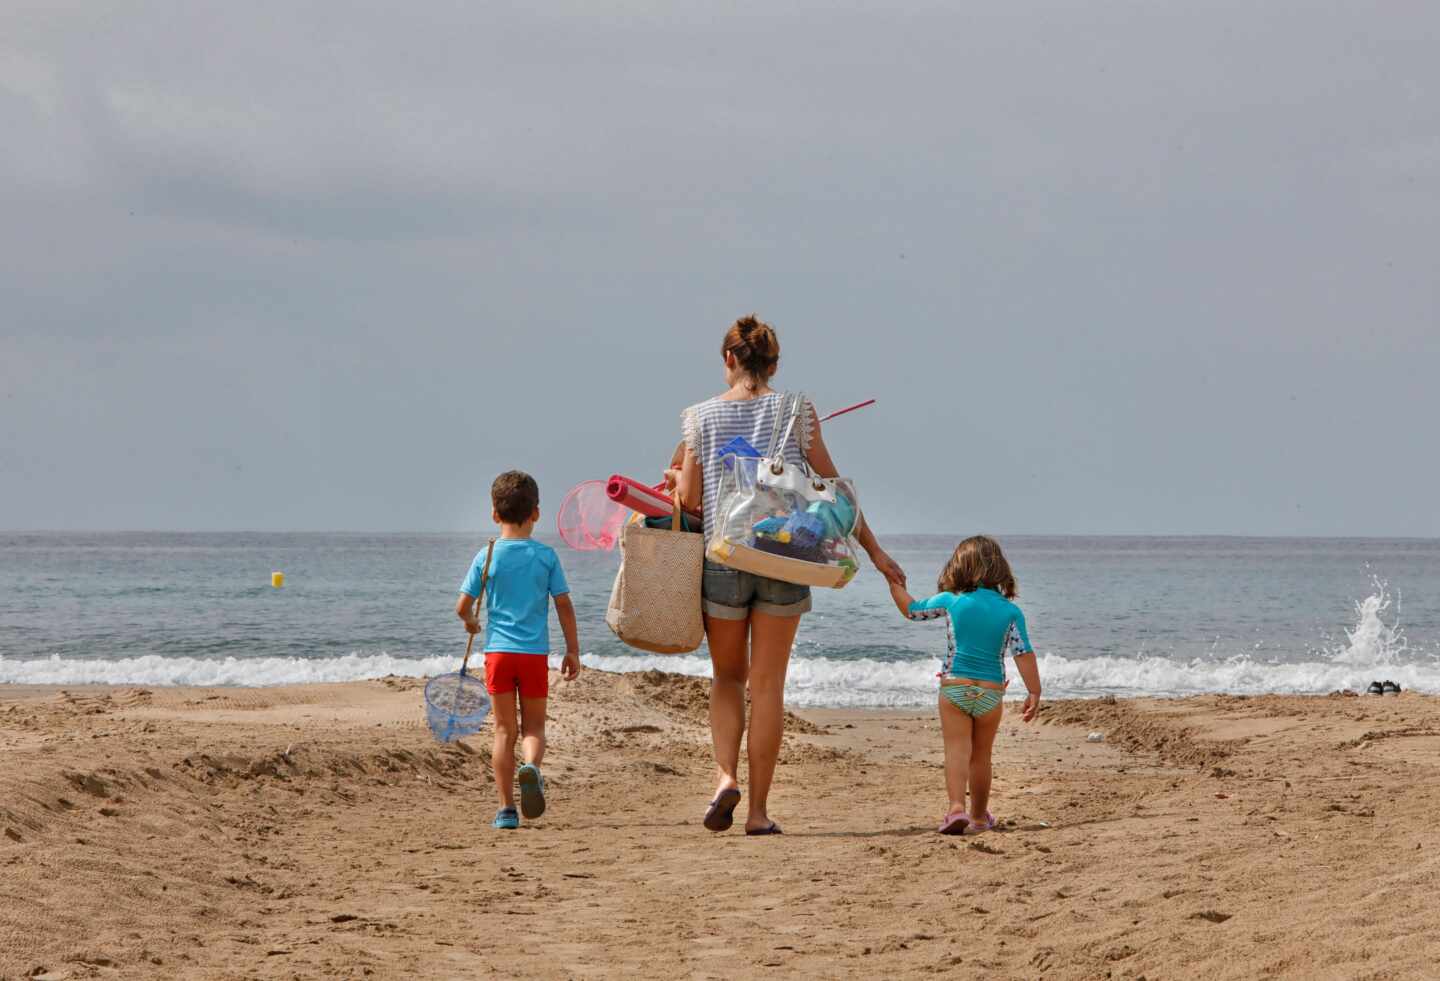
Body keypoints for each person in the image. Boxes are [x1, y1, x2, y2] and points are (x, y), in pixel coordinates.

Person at [669, 315, 906, 835]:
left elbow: (687, 501)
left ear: (728, 359)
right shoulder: (798, 410)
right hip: (785, 554)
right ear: (773, 364)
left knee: (728, 678)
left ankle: (725, 777)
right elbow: (832, 489)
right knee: (768, 684)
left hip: (723, 557)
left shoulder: (698, 419)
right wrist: (878, 556)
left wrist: (676, 481)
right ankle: (757, 814)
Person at [886, 535, 1041, 835]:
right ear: (998, 570)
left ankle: (956, 808)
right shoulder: (1010, 611)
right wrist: (1034, 690)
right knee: (981, 756)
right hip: (991, 692)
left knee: (956, 750)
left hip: (955, 687)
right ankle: (980, 817)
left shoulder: (951, 601)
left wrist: (895, 587)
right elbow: (1023, 652)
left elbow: (912, 610)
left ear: (960, 567)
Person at [455, 470, 580, 830]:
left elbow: (462, 606)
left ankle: (507, 810)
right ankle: (532, 767)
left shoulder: (487, 555)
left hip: (498, 654)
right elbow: (564, 605)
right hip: (533, 655)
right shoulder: (546, 557)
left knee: (503, 731)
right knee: (534, 727)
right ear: (536, 513)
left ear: (495, 514)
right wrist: (572, 650)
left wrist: (471, 624)